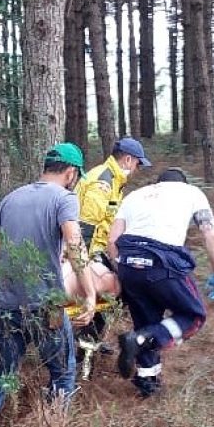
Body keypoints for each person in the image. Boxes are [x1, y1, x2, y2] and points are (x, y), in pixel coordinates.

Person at [0, 142, 96, 427]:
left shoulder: (10, 199)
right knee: (63, 374)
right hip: (47, 308)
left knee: (2, 376)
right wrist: (89, 294)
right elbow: (75, 247)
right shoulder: (65, 199)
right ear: (71, 172)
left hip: (9, 306)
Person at [107, 167, 214, 398]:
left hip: (129, 263)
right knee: (193, 316)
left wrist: (122, 270)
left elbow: (112, 240)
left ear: (157, 183)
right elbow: (211, 234)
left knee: (146, 320)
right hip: (163, 263)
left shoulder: (134, 195)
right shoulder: (191, 192)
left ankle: (147, 382)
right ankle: (142, 340)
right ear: (182, 182)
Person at [74, 137, 152, 350]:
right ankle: (83, 340)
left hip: (97, 250)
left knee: (117, 290)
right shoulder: (103, 182)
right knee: (118, 287)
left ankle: (90, 337)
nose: (137, 169)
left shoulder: (114, 181)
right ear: (128, 160)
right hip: (87, 251)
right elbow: (86, 226)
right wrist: (86, 263)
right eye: (137, 164)